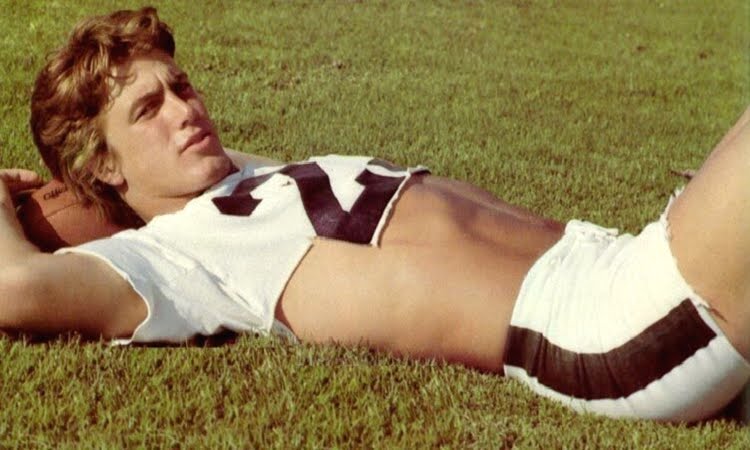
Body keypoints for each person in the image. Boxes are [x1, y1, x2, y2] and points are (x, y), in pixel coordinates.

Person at [1, 7, 748, 422]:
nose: (185, 110)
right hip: (611, 330)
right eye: (148, 109)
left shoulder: (246, 182)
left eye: (182, 86)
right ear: (103, 166)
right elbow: (17, 286)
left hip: (617, 261)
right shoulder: (179, 257)